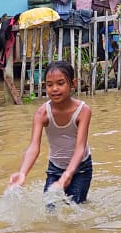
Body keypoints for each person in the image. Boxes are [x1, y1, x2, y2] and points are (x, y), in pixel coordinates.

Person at [8, 60, 93, 203]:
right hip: (55, 168)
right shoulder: (42, 113)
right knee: (50, 208)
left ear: (73, 83)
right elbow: (34, 147)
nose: (54, 89)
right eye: (49, 84)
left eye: (60, 83)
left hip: (80, 168)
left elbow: (80, 147)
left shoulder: (83, 111)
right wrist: (23, 173)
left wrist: (68, 174)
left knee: (76, 209)